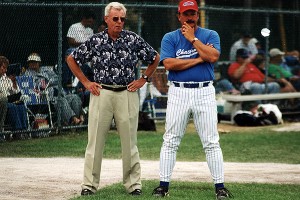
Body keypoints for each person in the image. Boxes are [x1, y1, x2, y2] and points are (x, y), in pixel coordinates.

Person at [66, 2, 160, 196]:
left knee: (130, 142)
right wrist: (85, 82)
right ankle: (89, 185)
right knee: (95, 142)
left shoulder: (132, 39)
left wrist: (143, 79)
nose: (119, 22)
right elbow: (71, 59)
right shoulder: (96, 40)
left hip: (127, 93)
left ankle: (134, 185)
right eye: (115, 19)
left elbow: (154, 57)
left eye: (122, 19)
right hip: (102, 93)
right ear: (106, 19)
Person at [151, 1, 233, 199]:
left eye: (193, 13)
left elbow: (213, 56)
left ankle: (220, 187)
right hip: (178, 92)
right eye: (185, 13)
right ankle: (163, 186)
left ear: (198, 15)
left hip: (204, 91)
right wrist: (198, 58)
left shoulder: (210, 35)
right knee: (170, 140)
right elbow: (170, 64)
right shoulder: (170, 37)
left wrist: (193, 39)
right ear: (179, 16)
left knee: (211, 141)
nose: (189, 17)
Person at [24, 53, 84, 125]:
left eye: (35, 62)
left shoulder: (45, 69)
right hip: (45, 98)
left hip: (60, 94)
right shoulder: (27, 74)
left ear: (39, 62)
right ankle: (73, 120)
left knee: (75, 98)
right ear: (28, 63)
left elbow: (57, 79)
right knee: (61, 101)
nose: (33, 64)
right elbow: (39, 85)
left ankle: (74, 123)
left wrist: (49, 82)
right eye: (31, 62)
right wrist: (49, 82)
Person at [0, 56, 28, 132]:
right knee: (13, 107)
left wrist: (14, 83)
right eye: (3, 68)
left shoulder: (6, 79)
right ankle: (18, 131)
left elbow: (16, 92)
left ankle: (24, 130)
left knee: (21, 106)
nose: (5, 70)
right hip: (3, 102)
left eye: (6, 68)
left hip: (9, 100)